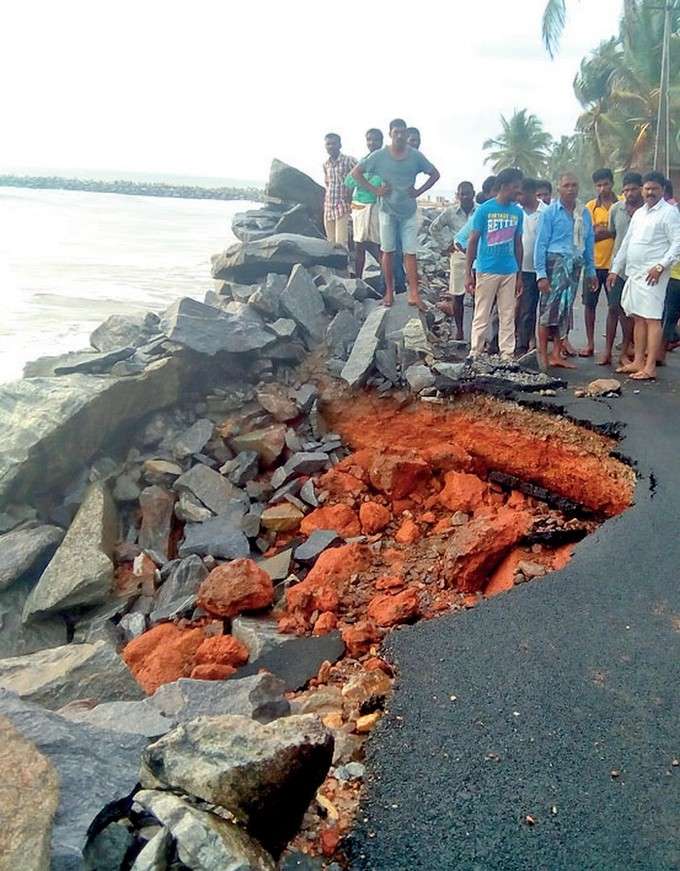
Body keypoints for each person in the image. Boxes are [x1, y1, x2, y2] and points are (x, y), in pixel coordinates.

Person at [351, 118, 440, 308]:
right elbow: (356, 173)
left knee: (410, 252)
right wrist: (375, 191)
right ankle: (389, 292)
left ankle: (414, 293)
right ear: (390, 134)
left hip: (408, 211)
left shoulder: (415, 156)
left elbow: (435, 174)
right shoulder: (380, 156)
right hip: (387, 211)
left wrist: (419, 191)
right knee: (388, 252)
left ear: (407, 134)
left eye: (403, 132)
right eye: (396, 132)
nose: (400, 135)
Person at [607, 170, 680, 380]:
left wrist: (660, 266)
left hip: (653, 274)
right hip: (634, 273)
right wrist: (615, 270)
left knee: (652, 319)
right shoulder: (639, 213)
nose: (650, 192)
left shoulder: (669, 212)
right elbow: (627, 243)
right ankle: (638, 361)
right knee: (638, 318)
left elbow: (677, 243)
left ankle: (650, 366)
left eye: (654, 189)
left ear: (662, 190)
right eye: (647, 188)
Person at [534, 171, 596, 371]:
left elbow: (588, 242)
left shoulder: (583, 213)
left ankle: (557, 354)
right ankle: (542, 354)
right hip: (554, 265)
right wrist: (541, 275)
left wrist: (591, 271)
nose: (571, 189)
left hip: (575, 265)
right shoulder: (550, 213)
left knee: (564, 311)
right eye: (567, 185)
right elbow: (540, 245)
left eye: (574, 185)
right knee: (547, 312)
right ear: (559, 188)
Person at [465, 167, 524, 360]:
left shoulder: (517, 212)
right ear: (504, 186)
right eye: (516, 188)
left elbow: (518, 243)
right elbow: (472, 241)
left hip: (509, 270)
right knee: (482, 313)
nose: (519, 192)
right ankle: (476, 352)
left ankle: (507, 353)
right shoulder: (484, 210)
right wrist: (468, 273)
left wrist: (520, 274)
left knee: (507, 314)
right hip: (486, 269)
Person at [599, 171, 643, 366]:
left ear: (640, 189)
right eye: (626, 190)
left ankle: (625, 351)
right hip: (617, 267)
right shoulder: (616, 209)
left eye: (633, 189)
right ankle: (607, 352)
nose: (629, 193)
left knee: (631, 313)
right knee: (613, 308)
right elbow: (614, 235)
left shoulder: (646, 211)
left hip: (639, 270)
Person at [430, 181, 477, 340]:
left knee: (479, 294)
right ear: (458, 195)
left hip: (479, 256)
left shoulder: (480, 211)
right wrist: (447, 244)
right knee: (458, 295)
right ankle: (460, 330)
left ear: (473, 194)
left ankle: (476, 332)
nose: (464, 196)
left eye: (467, 193)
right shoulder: (450, 212)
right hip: (459, 256)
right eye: (461, 193)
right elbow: (433, 228)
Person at [581, 169, 618, 357]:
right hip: (593, 266)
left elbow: (622, 233)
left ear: (612, 183)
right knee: (589, 305)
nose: (602, 188)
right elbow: (587, 236)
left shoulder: (621, 205)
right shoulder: (590, 207)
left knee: (614, 307)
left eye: (605, 184)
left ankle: (609, 350)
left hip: (615, 266)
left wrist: (602, 231)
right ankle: (589, 344)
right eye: (599, 185)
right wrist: (610, 231)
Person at [515, 178, 547, 356]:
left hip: (543, 269)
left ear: (531, 192)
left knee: (546, 309)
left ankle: (546, 347)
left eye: (520, 193)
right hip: (524, 269)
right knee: (526, 308)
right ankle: (522, 346)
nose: (517, 196)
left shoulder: (547, 212)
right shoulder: (516, 212)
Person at [345, 128, 383, 279]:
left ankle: (385, 283)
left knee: (379, 246)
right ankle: (358, 280)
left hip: (376, 207)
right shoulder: (364, 161)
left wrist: (363, 181)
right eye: (369, 139)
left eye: (375, 140)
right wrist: (371, 185)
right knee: (359, 245)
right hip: (360, 206)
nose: (372, 143)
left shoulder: (385, 162)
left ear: (381, 142)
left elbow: (383, 184)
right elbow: (349, 181)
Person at [322, 133, 356, 247]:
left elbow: (361, 175)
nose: (331, 146)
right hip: (328, 205)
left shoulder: (348, 160)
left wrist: (351, 193)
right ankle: (332, 264)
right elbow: (327, 182)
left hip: (342, 204)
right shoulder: (326, 164)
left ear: (340, 145)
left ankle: (344, 264)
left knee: (341, 242)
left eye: (334, 143)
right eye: (328, 144)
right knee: (330, 242)